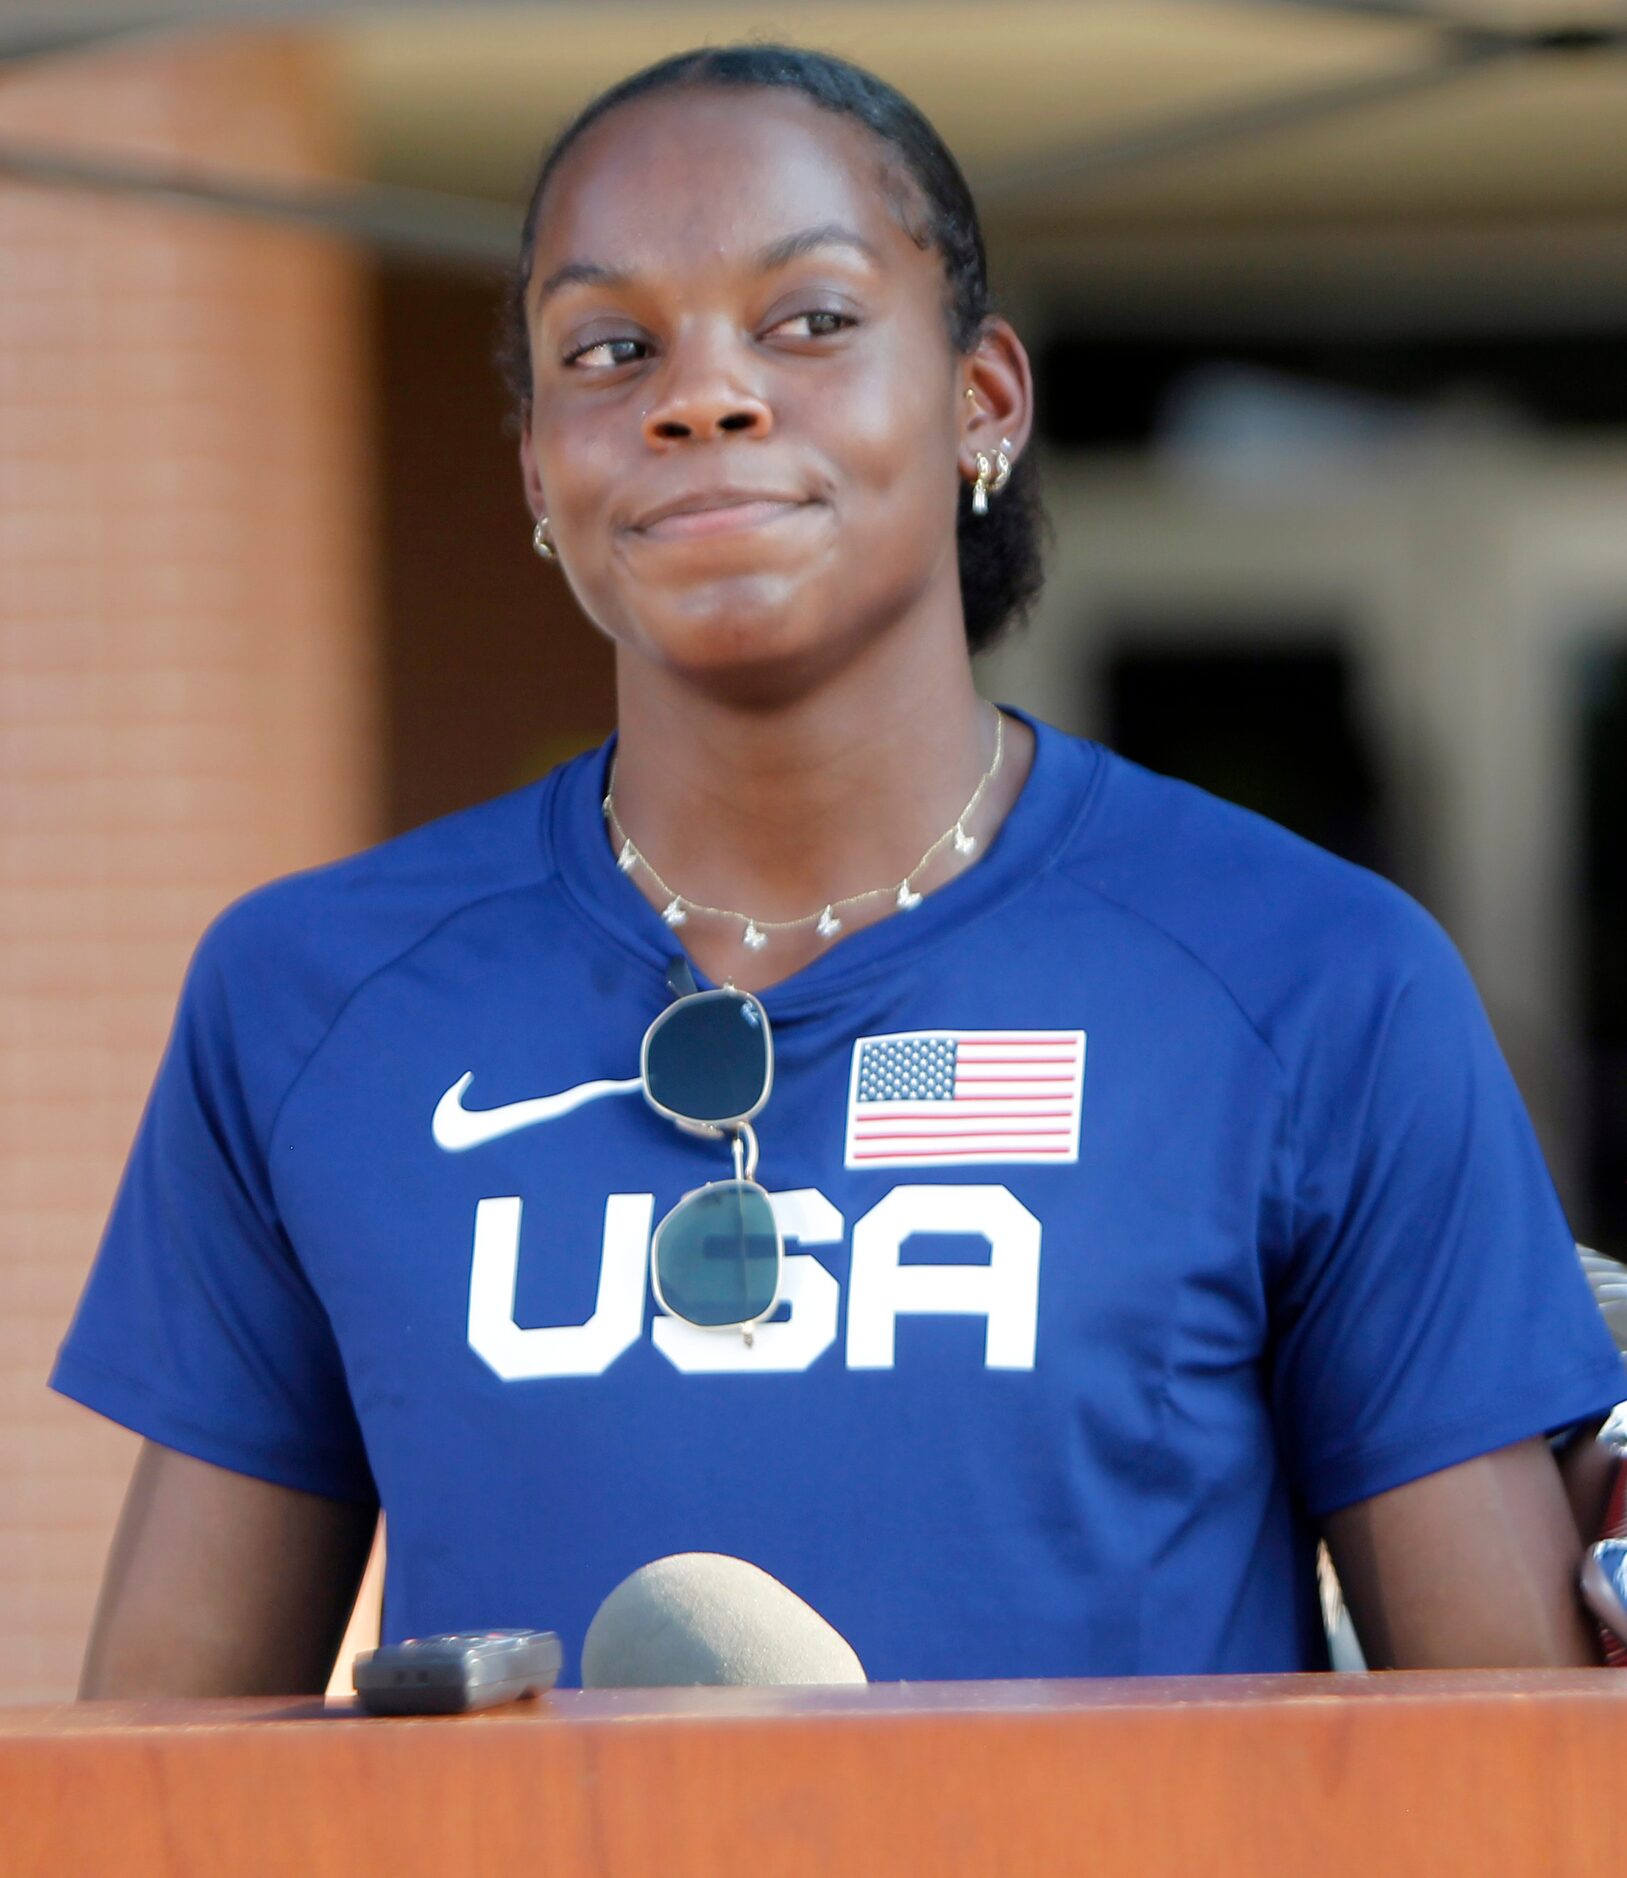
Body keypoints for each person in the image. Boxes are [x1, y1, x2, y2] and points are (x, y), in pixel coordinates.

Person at [55, 44, 1625, 1696]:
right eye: (610, 348)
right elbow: (164, 1782)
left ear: (982, 402)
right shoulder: (307, 1003)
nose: (703, 394)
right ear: (536, 471)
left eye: (808, 321)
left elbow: (1506, 1770)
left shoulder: (1315, 979)